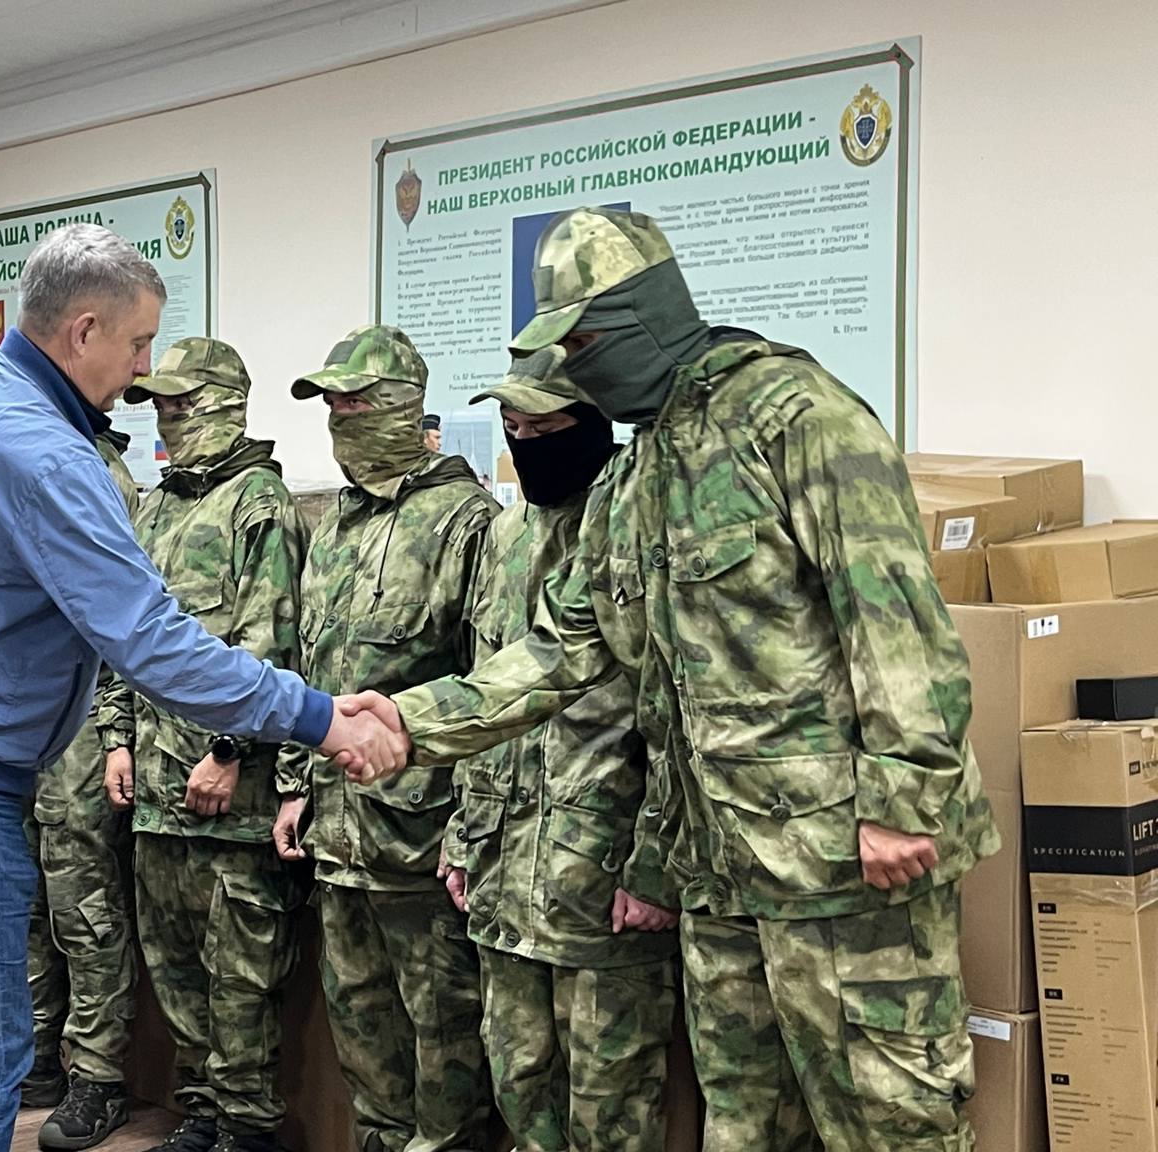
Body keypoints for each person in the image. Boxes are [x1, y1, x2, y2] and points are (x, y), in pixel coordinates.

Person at [363, 207, 999, 1152]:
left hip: (843, 869)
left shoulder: (795, 418)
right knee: (743, 1125)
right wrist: (406, 723)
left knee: (892, 1124)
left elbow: (895, 618)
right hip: (720, 875)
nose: (575, 373)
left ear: (642, 317)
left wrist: (905, 799)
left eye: (582, 345)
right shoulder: (634, 481)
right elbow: (558, 651)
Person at [0, 223, 403, 1152]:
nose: (143, 367)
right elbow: (154, 644)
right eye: (137, 342)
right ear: (83, 331)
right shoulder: (47, 456)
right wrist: (321, 718)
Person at [441, 346, 676, 1151]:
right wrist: (462, 836)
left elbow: (672, 713)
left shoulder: (639, 530)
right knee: (518, 1078)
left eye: (544, 427)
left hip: (600, 873)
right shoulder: (504, 534)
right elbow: (483, 690)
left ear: (593, 421)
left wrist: (653, 865)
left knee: (610, 1102)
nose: (526, 440)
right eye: (513, 427)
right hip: (503, 868)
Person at [273, 325, 499, 1152]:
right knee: (361, 1024)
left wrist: (471, 832)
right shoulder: (335, 525)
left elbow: (492, 692)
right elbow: (308, 667)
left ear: (405, 408)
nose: (340, 420)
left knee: (444, 1037)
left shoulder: (466, 523)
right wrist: (294, 786)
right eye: (331, 407)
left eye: (355, 404)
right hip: (339, 835)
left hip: (423, 843)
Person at [104, 338, 309, 1152]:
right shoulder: (156, 508)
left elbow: (272, 643)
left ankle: (248, 1125)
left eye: (182, 404)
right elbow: (121, 635)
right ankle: (204, 1111)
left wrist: (229, 750)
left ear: (227, 403)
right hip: (156, 789)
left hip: (231, 795)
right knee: (177, 966)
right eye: (160, 405)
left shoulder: (260, 504)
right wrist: (116, 738)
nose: (168, 419)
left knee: (241, 977)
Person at [24, 426, 142, 1151]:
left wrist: (116, 733)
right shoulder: (26, 457)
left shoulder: (99, 474)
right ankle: (34, 1052)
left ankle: (97, 1075)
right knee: (28, 902)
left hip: (83, 719)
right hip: (21, 717)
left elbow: (125, 620)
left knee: (83, 903)